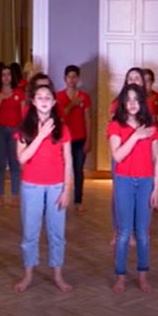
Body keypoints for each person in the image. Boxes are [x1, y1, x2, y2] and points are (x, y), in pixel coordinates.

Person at [13, 84, 74, 293]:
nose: (44, 100)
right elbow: (22, 158)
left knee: (57, 233)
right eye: (40, 97)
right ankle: (28, 274)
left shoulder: (63, 129)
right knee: (30, 233)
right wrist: (40, 135)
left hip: (56, 186)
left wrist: (67, 190)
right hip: (32, 186)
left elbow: (68, 160)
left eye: (48, 97)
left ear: (54, 102)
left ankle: (58, 274)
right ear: (33, 102)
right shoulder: (25, 129)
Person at [108, 84, 158, 294]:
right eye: (128, 99)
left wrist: (157, 188)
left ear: (142, 103)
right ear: (122, 102)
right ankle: (120, 276)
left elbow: (156, 159)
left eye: (136, 99)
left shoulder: (152, 128)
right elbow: (118, 156)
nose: (132, 104)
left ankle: (143, 275)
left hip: (146, 181)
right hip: (124, 180)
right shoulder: (115, 125)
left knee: (143, 233)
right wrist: (136, 136)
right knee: (123, 233)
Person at [0, 63, 25, 207]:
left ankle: (15, 195)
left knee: (14, 164)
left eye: (9, 74)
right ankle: (0, 195)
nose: (6, 77)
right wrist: (1, 98)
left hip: (15, 131)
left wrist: (23, 134)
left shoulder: (19, 93)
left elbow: (23, 115)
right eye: (3, 74)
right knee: (0, 164)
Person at [57, 65, 92, 213]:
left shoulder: (85, 96)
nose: (72, 80)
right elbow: (60, 117)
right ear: (65, 79)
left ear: (78, 78)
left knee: (78, 170)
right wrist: (72, 104)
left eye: (74, 76)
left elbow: (88, 119)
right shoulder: (58, 97)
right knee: (61, 170)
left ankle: (78, 201)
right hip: (64, 140)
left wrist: (89, 139)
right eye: (69, 77)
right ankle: (60, 198)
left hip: (80, 138)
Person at [142, 68, 158, 154]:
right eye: (143, 81)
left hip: (154, 135)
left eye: (148, 80)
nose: (146, 84)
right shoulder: (136, 98)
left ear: (152, 82)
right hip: (140, 135)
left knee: (153, 161)